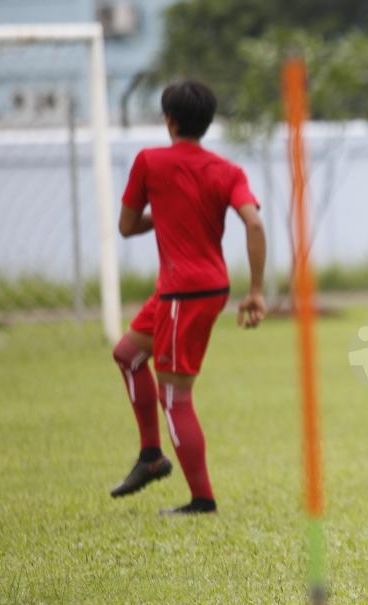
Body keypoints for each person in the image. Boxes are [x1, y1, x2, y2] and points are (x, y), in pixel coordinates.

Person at [108, 80, 268, 514]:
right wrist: (255, 290)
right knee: (127, 354)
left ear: (169, 121)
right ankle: (150, 456)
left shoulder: (149, 162)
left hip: (185, 292)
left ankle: (202, 500)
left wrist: (161, 212)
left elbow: (125, 226)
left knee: (176, 396)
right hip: (193, 288)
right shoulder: (227, 170)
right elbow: (253, 223)